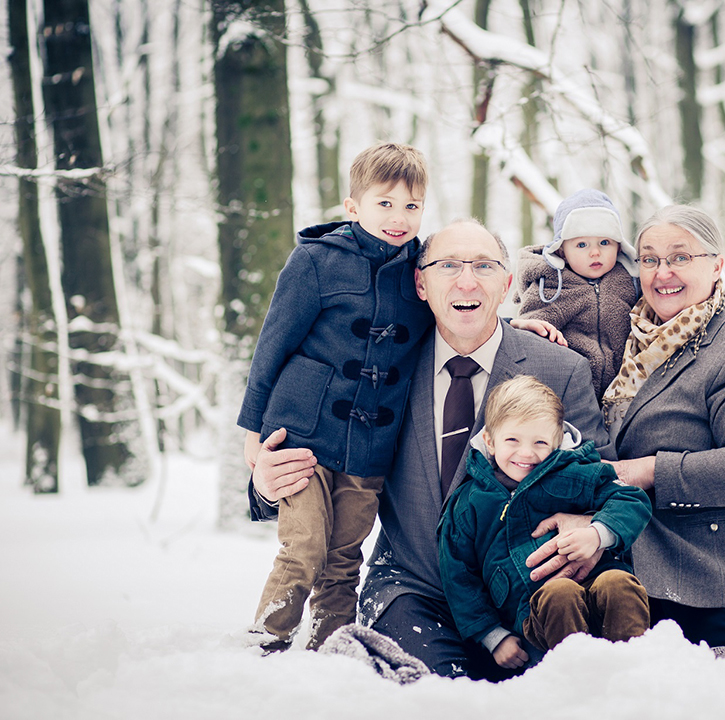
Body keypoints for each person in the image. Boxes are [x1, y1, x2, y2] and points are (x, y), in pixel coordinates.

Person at [250, 219, 612, 678]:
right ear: (420, 283)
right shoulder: (377, 368)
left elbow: (603, 473)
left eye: (484, 266)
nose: (467, 280)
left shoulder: (558, 368)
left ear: (505, 284)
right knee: (434, 698)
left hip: (526, 594)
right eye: (448, 266)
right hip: (413, 591)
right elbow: (322, 456)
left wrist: (589, 522)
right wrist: (266, 485)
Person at [238, 142, 433, 652]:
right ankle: (265, 642)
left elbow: (465, 311)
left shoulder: (425, 269)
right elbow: (271, 345)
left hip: (372, 444)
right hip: (301, 432)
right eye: (384, 203)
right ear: (353, 207)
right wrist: (252, 432)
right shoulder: (316, 262)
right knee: (303, 546)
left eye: (411, 206)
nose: (399, 217)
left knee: (345, 556)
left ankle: (330, 650)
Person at [597, 204, 725, 647]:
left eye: (680, 257)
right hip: (638, 572)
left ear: (717, 265)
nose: (662, 272)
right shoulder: (633, 337)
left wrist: (646, 470)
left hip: (712, 586)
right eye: (649, 259)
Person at [439, 375, 652, 672]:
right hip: (532, 612)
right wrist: (493, 636)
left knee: (618, 584)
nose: (527, 454)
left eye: (540, 442)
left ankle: (636, 678)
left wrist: (597, 534)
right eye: (512, 440)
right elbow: (458, 573)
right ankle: (576, 686)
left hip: (599, 580)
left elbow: (632, 499)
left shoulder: (574, 472)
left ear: (556, 441)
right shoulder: (472, 501)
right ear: (489, 440)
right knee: (559, 594)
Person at [514, 189, 639, 399]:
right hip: (567, 393)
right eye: (582, 244)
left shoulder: (630, 281)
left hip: (624, 392)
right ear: (562, 251)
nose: (595, 252)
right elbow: (528, 330)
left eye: (604, 242)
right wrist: (525, 325)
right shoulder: (551, 285)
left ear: (618, 246)